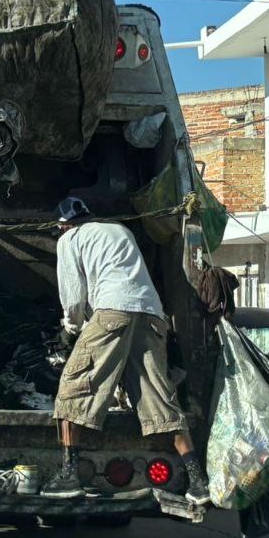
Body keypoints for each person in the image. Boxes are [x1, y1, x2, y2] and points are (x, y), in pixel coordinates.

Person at [42, 196, 210, 504]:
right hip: (151, 315)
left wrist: (69, 330)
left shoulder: (69, 239)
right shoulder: (119, 230)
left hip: (111, 311)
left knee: (72, 390)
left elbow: (74, 295)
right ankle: (198, 482)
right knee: (160, 400)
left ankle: (68, 477)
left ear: (62, 225)